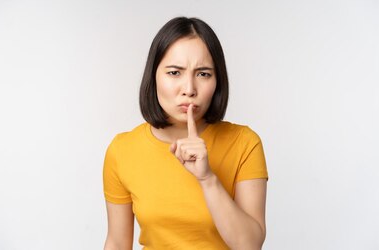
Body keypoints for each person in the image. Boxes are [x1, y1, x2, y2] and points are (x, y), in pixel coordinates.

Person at [103, 16, 268, 250]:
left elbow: (250, 245)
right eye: (174, 72)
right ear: (154, 76)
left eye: (203, 74)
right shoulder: (122, 150)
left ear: (217, 81)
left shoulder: (244, 143)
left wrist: (208, 179)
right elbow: (117, 243)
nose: (189, 89)